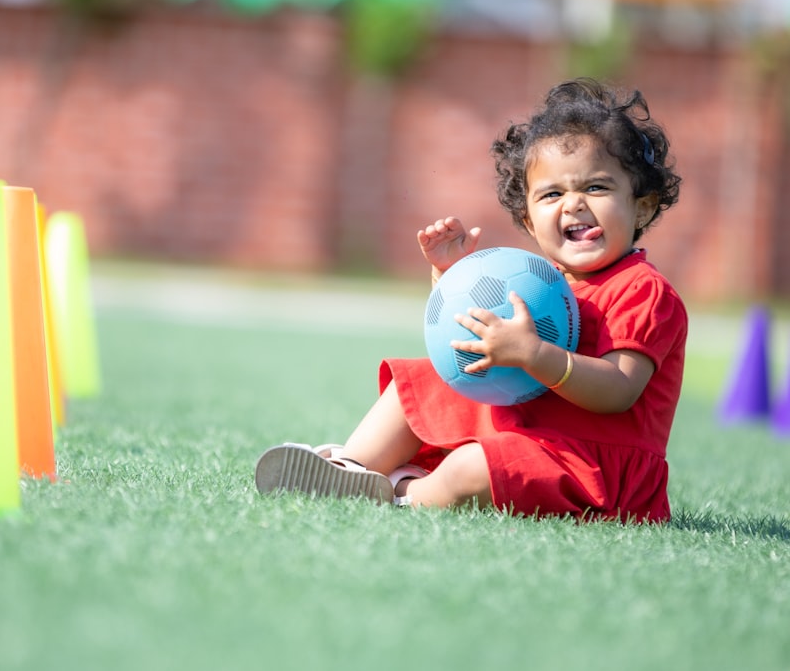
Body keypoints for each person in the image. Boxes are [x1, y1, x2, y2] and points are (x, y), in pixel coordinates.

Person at [254, 77, 685, 522]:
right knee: (424, 381)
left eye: (596, 188)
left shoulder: (644, 290)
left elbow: (618, 390)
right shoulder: (540, 281)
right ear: (529, 221)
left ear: (643, 206)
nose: (573, 204)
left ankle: (399, 491)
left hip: (596, 470)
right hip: (532, 435)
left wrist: (535, 353)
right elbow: (468, 341)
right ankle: (351, 465)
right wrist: (450, 278)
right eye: (552, 194)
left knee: (472, 469)